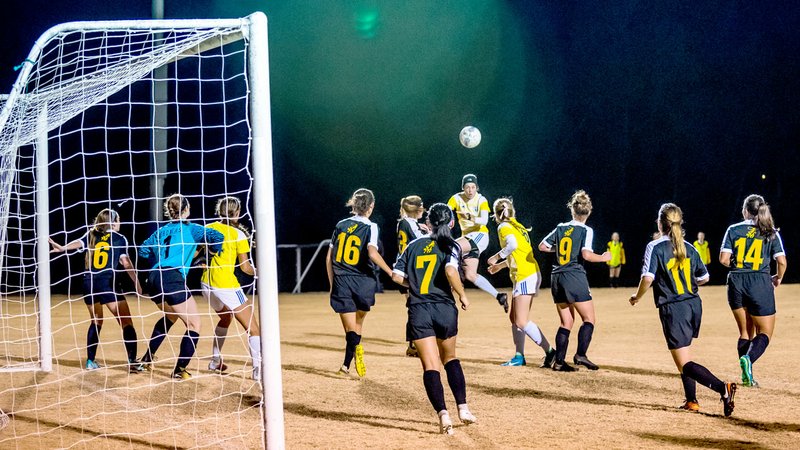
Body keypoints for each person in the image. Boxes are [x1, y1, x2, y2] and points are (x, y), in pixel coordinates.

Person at [629, 203, 736, 416]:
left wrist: (637, 297)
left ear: (660, 223)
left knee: (685, 363)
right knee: (685, 355)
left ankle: (723, 388)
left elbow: (647, 277)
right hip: (693, 305)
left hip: (674, 308)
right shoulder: (690, 246)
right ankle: (692, 400)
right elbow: (704, 277)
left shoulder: (655, 247)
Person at [391, 203, 476, 435]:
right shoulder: (451, 245)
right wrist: (463, 295)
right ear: (451, 223)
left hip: (419, 310)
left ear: (427, 223)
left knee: (431, 366)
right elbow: (450, 272)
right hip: (444, 309)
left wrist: (415, 286)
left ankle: (443, 415)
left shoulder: (413, 244)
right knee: (450, 359)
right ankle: (463, 408)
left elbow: (396, 277)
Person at [138, 194, 224, 379]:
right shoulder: (192, 229)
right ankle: (179, 370)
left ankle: (146, 359)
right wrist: (210, 252)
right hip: (171, 278)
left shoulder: (160, 231)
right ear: (186, 210)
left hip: (153, 278)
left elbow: (143, 250)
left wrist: (161, 259)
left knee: (170, 316)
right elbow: (218, 236)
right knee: (194, 324)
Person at [49, 209, 142, 372]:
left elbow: (78, 243)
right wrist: (137, 282)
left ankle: (90, 361)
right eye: (118, 220)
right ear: (113, 222)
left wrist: (62, 248)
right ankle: (133, 362)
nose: (119, 223)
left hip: (89, 283)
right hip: (108, 283)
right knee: (126, 322)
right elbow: (126, 263)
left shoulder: (91, 234)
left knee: (96, 321)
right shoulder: (119, 238)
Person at [719, 194, 787, 388]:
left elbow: (724, 260)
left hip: (736, 282)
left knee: (744, 332)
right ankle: (748, 361)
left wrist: (739, 264)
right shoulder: (770, 231)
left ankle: (746, 374)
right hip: (760, 282)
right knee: (764, 333)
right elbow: (781, 261)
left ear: (745, 211)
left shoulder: (733, 229)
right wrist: (778, 277)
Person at [539, 190, 610, 371]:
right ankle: (580, 355)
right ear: (589, 211)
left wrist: (561, 250)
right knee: (589, 319)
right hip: (573, 275)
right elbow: (586, 255)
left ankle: (559, 362)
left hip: (556, 276)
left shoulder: (561, 227)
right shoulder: (586, 230)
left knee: (566, 322)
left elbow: (542, 246)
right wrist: (603, 257)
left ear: (572, 210)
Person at [326, 188, 394, 377]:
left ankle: (349, 360)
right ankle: (347, 363)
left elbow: (329, 258)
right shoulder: (371, 226)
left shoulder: (340, 224)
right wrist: (390, 272)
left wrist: (333, 284)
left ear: (353, 204)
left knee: (350, 329)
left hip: (342, 280)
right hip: (364, 281)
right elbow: (372, 253)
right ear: (371, 206)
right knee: (358, 325)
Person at [487, 198, 555, 368]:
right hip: (528, 273)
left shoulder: (503, 226)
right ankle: (519, 356)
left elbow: (512, 245)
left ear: (496, 214)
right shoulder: (518, 226)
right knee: (514, 318)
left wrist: (496, 257)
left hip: (525, 275)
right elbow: (518, 252)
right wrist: (501, 266)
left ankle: (551, 352)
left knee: (522, 321)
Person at [200, 196, 262, 381]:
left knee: (225, 318)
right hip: (225, 284)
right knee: (254, 329)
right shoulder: (239, 235)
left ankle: (215, 361)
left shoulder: (208, 228)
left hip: (206, 284)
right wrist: (261, 272)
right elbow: (245, 267)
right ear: (237, 212)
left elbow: (199, 255)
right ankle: (258, 371)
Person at [447, 174, 508, 311]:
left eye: (473, 187)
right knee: (470, 275)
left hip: (480, 236)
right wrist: (447, 219)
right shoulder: (456, 198)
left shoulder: (481, 199)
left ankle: (449, 288)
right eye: (467, 187)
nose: (470, 190)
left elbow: (484, 220)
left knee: (452, 248)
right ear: (463, 188)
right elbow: (447, 210)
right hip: (468, 238)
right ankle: (499, 296)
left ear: (477, 188)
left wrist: (468, 215)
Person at [397, 195, 429, 358]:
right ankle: (414, 344)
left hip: (403, 268)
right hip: (409, 271)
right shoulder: (409, 224)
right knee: (415, 307)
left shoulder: (404, 223)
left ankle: (413, 344)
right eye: (421, 208)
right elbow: (422, 241)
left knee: (414, 306)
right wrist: (430, 231)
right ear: (416, 209)